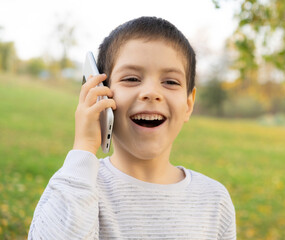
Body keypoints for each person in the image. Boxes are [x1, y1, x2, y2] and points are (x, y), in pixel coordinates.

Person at [28, 16, 236, 239]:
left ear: (188, 104)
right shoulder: (76, 186)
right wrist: (84, 147)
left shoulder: (214, 200)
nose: (151, 92)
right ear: (100, 93)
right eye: (131, 79)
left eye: (170, 82)